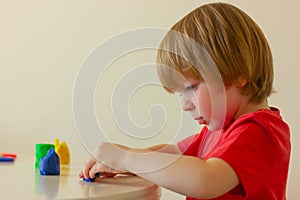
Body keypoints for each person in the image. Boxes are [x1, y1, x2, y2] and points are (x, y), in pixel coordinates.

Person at [79, 2, 291, 199]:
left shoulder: (259, 131)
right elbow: (174, 152)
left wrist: (126, 158)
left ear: (238, 74)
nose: (185, 105)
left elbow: (205, 180)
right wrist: (125, 157)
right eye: (180, 94)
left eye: (192, 87)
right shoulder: (219, 130)